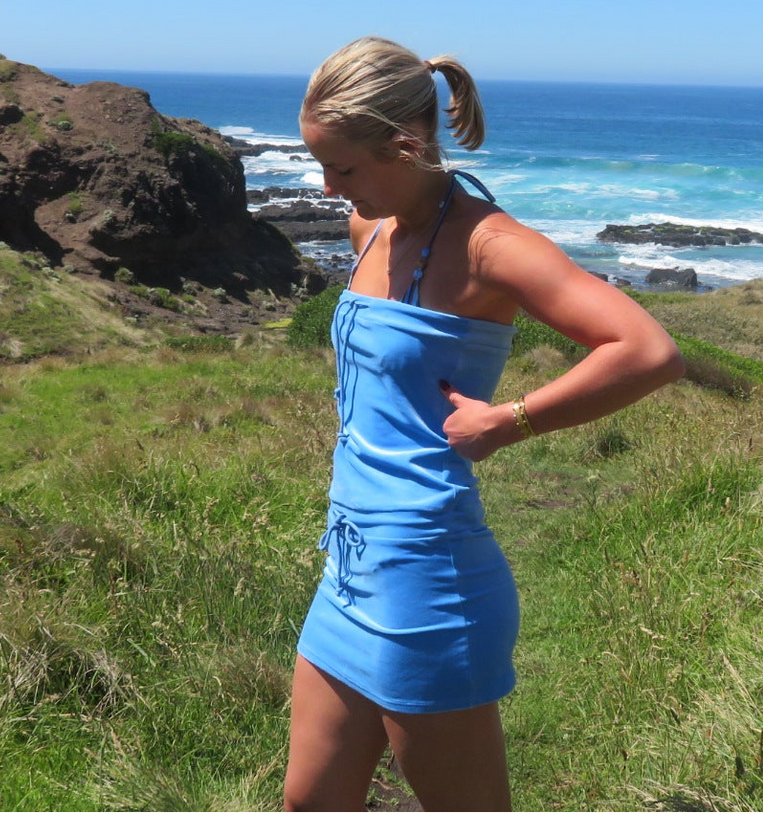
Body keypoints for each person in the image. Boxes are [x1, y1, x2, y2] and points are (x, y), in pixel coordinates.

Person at [284, 36, 684, 813]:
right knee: (311, 802)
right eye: (319, 166)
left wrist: (511, 419)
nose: (329, 188)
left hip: (429, 576)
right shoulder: (373, 231)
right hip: (348, 563)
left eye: (343, 167)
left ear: (404, 145)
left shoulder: (492, 246)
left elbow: (647, 349)